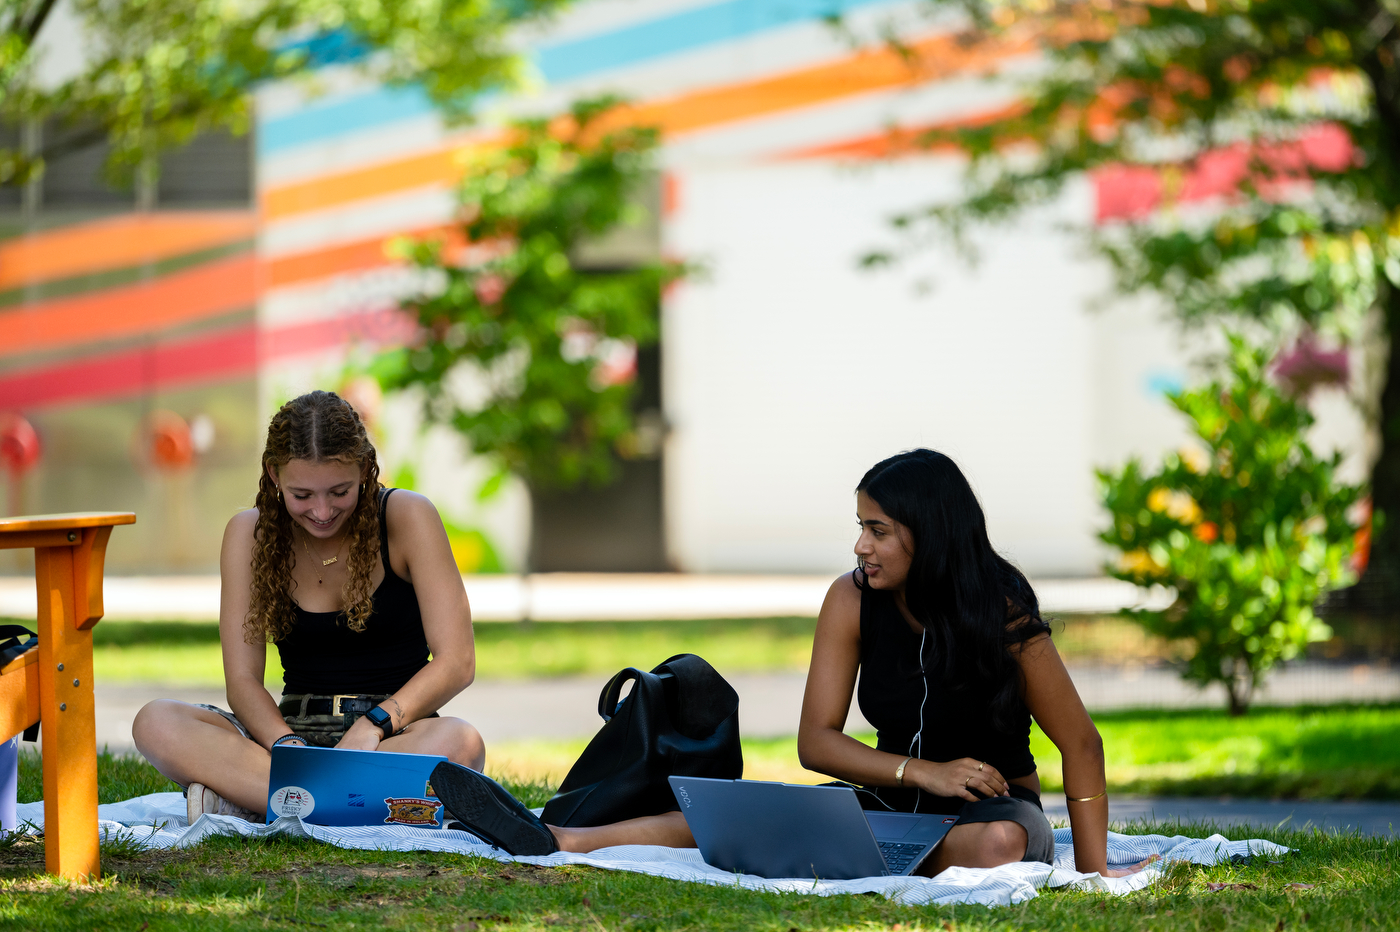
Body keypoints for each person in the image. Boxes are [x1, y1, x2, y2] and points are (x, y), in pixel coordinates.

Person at [133, 390, 485, 825]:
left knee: (462, 742)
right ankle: (342, 801)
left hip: (394, 735)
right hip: (286, 738)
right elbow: (242, 682)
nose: (322, 512)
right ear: (273, 475)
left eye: (339, 491)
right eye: (302, 495)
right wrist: (285, 745)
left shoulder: (406, 516)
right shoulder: (250, 534)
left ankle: (267, 801)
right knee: (156, 722)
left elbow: (457, 662)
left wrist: (373, 725)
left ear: (364, 469)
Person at [798, 449, 1150, 877]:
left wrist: (1093, 872)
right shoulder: (849, 599)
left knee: (997, 844)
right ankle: (882, 852)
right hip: (889, 804)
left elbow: (1082, 744)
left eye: (879, 531)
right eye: (861, 527)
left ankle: (860, 855)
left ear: (929, 534)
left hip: (991, 814)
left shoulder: (1002, 611)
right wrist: (925, 774)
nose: (861, 546)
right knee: (727, 822)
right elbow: (815, 741)